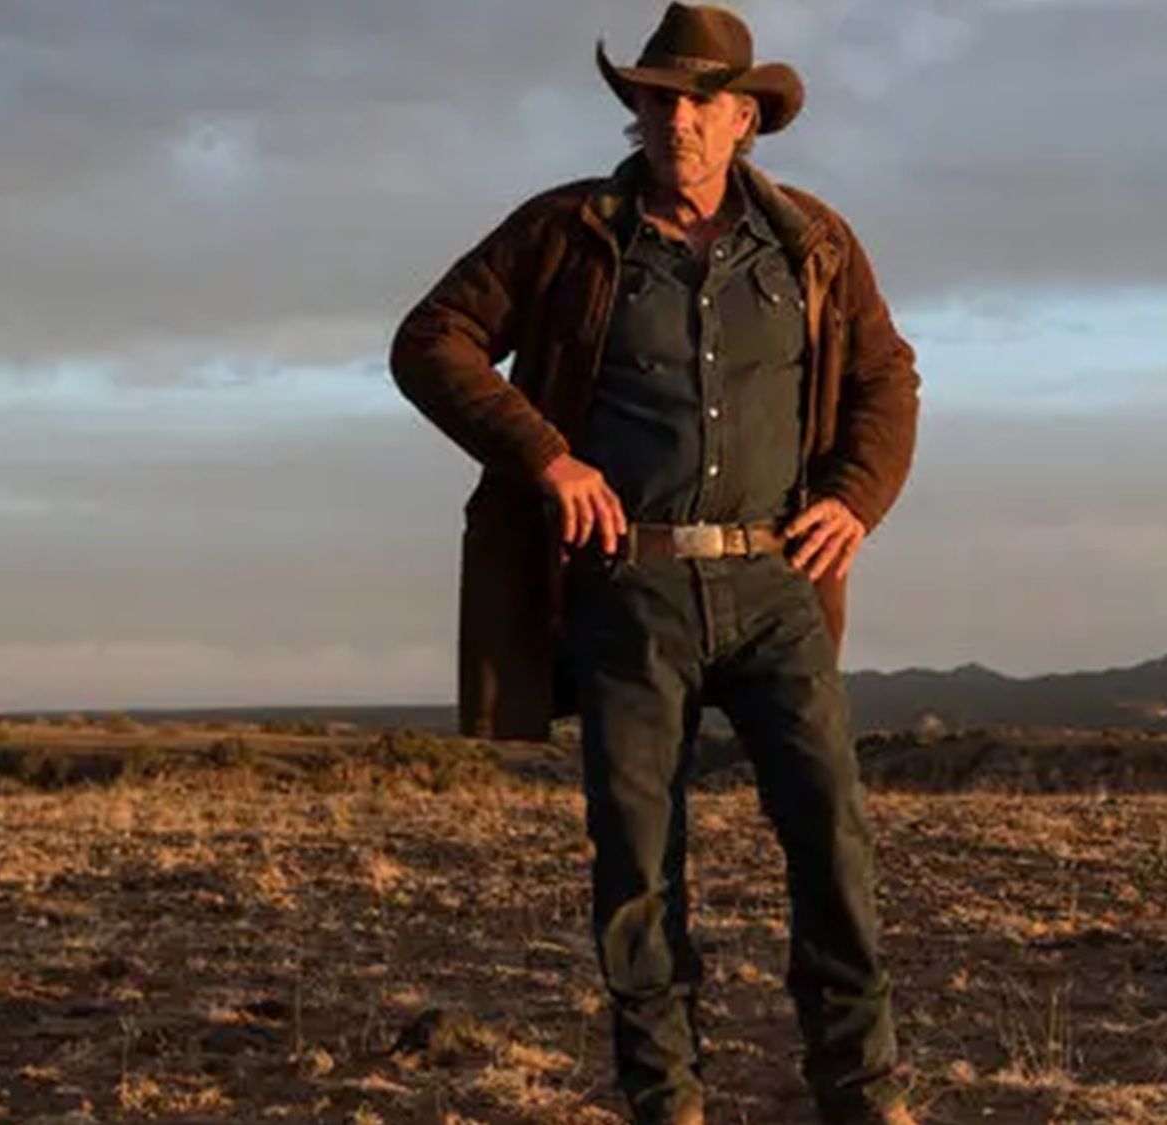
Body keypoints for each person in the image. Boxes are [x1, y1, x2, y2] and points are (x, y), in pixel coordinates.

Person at [388, 5, 921, 1122]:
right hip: (628, 584)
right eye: (656, 98)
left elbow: (886, 377)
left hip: (776, 581)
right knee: (636, 862)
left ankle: (861, 1093)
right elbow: (431, 340)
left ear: (742, 119)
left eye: (698, 101)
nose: (675, 119)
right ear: (634, 110)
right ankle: (665, 1099)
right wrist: (546, 458)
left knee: (832, 837)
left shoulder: (812, 241)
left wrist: (856, 499)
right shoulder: (567, 231)